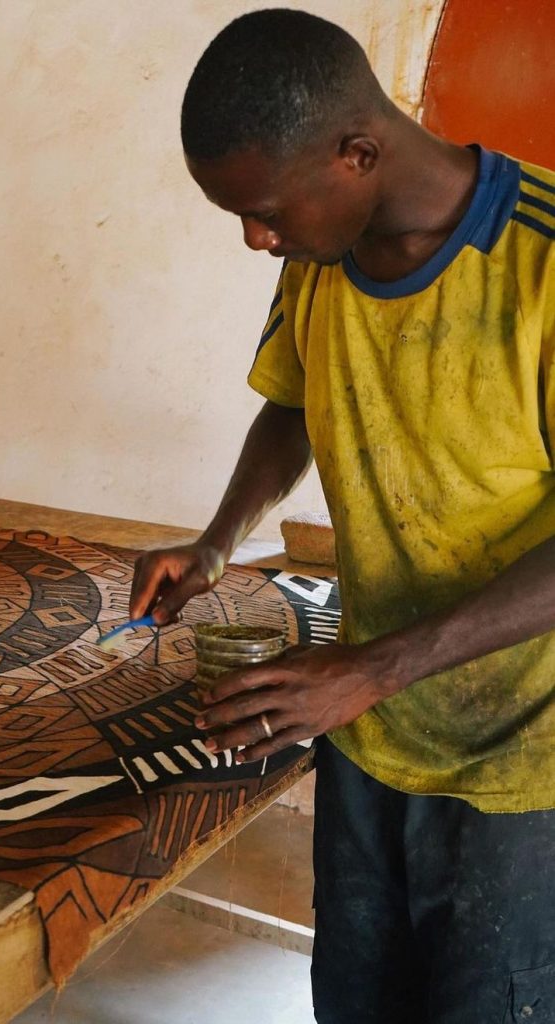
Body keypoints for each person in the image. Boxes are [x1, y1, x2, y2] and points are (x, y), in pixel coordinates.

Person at [128, 9, 555, 1022]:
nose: (256, 238)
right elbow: (293, 399)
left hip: (524, 763)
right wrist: (215, 544)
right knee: (361, 999)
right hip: (370, 727)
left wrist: (372, 666)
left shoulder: (539, 268)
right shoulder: (320, 259)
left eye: (265, 211)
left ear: (356, 153)